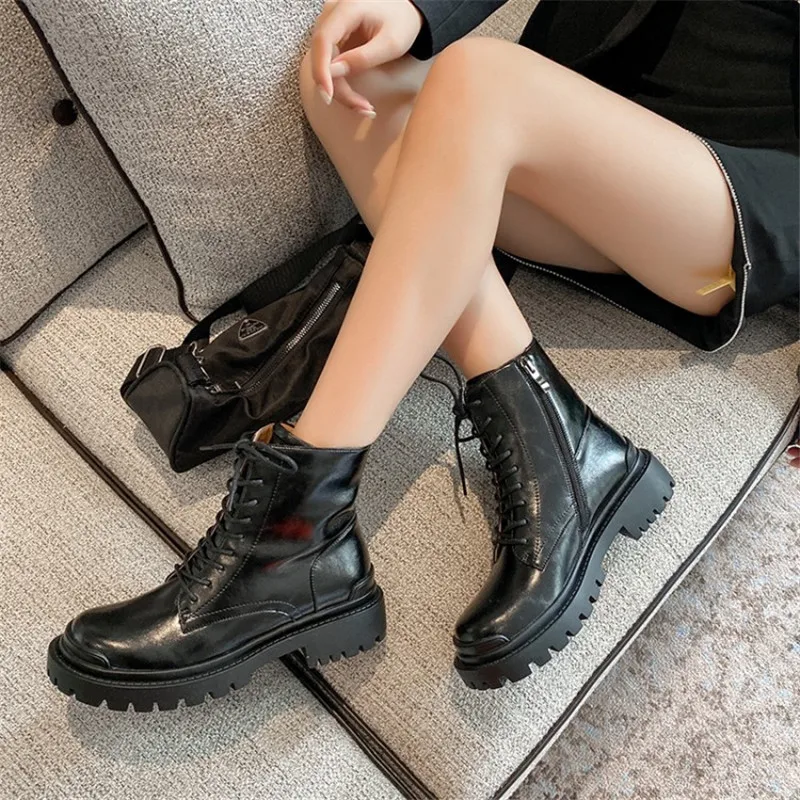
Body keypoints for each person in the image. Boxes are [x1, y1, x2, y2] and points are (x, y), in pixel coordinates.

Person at [47, 0, 799, 708]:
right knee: (347, 80)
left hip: (738, 197)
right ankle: (560, 447)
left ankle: (292, 531)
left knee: (482, 77)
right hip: (584, 131)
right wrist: (414, 9)